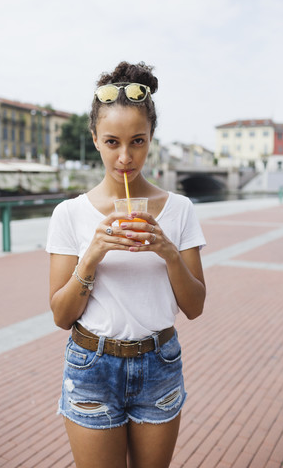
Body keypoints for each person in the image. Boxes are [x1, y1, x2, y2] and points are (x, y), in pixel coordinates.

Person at [46, 61, 206, 468]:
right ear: (95, 139)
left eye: (137, 141)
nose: (125, 157)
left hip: (159, 363)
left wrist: (168, 251)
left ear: (151, 138)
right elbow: (62, 315)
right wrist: (93, 255)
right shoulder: (69, 214)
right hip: (91, 365)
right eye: (113, 142)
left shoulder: (180, 209)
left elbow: (195, 306)